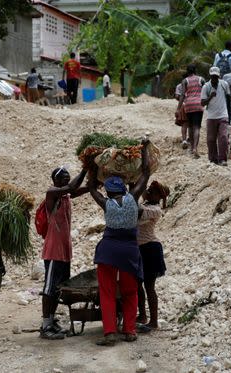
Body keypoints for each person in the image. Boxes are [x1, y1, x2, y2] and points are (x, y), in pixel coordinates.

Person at [87, 141, 151, 346]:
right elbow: (146, 172)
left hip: (108, 252)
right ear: (123, 189)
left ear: (107, 191)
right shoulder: (133, 198)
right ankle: (130, 330)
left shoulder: (106, 203)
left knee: (107, 292)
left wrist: (91, 163)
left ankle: (110, 333)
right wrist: (144, 149)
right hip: (129, 252)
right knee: (130, 292)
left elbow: (90, 187)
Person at [40, 167, 89, 340]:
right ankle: (45, 326)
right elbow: (72, 188)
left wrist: (96, 180)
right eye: (63, 179)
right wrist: (85, 168)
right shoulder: (52, 193)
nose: (66, 182)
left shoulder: (66, 195)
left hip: (64, 251)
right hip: (53, 251)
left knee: (58, 288)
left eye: (68, 178)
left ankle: (51, 321)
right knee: (49, 288)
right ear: (55, 180)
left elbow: (79, 189)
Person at [136, 180, 168, 331]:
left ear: (159, 197)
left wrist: (136, 187)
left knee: (149, 286)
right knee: (137, 285)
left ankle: (153, 321)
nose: (148, 192)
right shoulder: (146, 204)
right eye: (148, 190)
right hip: (140, 249)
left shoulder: (155, 210)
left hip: (151, 249)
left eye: (152, 191)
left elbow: (137, 211)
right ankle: (142, 315)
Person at [201, 66, 231, 165]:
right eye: (213, 76)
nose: (214, 78)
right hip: (211, 116)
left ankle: (222, 159)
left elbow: (228, 99)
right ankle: (213, 159)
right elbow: (202, 103)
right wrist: (210, 96)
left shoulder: (224, 84)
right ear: (210, 76)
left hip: (223, 115)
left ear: (219, 76)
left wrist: (229, 115)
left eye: (216, 76)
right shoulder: (206, 86)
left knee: (223, 137)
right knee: (211, 139)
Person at [177, 64, 205, 158]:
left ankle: (191, 147)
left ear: (187, 71)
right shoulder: (201, 79)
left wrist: (178, 108)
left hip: (188, 105)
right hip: (198, 104)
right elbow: (205, 91)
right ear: (195, 70)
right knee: (197, 127)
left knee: (190, 127)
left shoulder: (185, 81)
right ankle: (195, 148)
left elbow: (182, 95)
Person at [174, 82, 188, 149]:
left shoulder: (179, 85)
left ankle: (184, 140)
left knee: (184, 124)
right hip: (193, 104)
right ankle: (192, 139)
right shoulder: (193, 83)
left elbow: (177, 96)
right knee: (193, 124)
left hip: (184, 105)